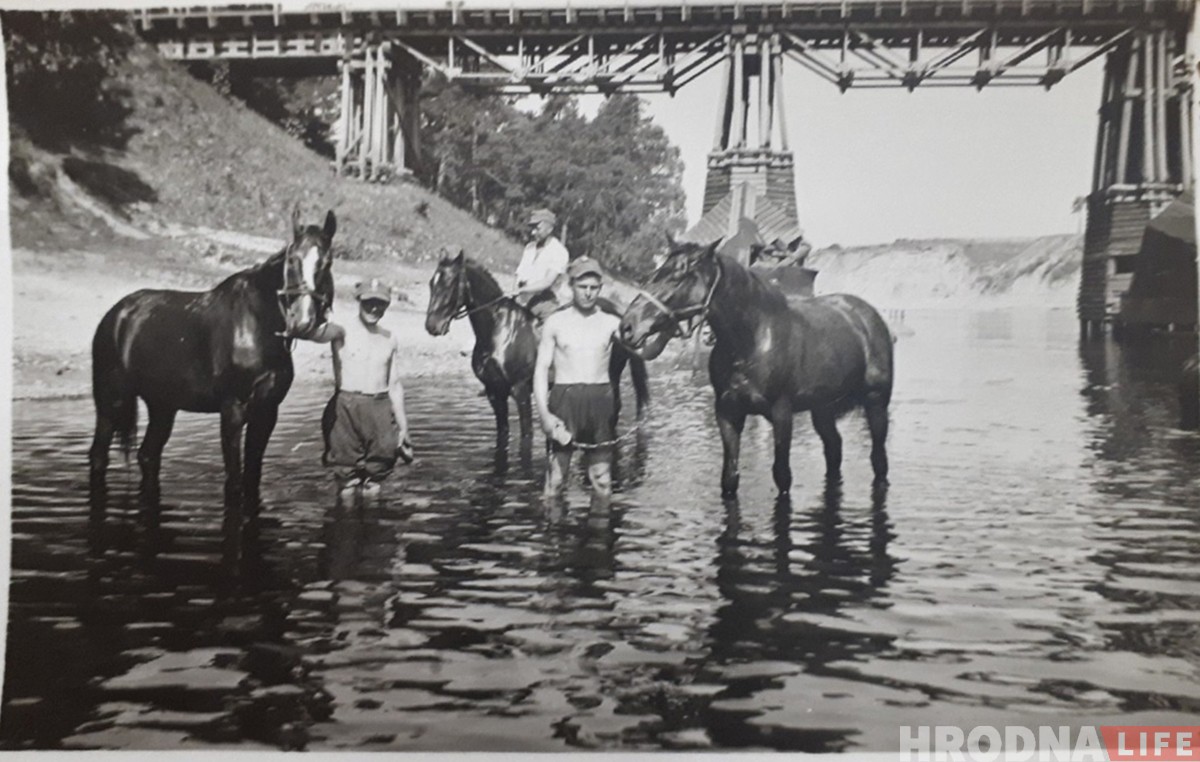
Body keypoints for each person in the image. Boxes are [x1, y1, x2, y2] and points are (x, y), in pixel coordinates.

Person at [309, 278, 412, 501]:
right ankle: (345, 529)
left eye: (380, 304)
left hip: (380, 408)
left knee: (376, 476)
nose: (374, 308)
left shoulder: (389, 338)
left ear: (387, 305)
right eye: (368, 303)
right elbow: (314, 333)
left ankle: (374, 531)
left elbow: (394, 384)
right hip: (347, 407)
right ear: (358, 301)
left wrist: (404, 427)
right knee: (347, 480)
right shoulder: (341, 330)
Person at [533, 256, 621, 502]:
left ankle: (599, 538)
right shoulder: (555, 322)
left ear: (600, 289)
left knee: (602, 480)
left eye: (594, 288)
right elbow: (541, 370)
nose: (588, 293)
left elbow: (644, 352)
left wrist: (665, 333)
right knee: (556, 479)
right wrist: (544, 415)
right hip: (565, 399)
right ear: (571, 286)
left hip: (601, 401)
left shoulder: (611, 323)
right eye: (583, 287)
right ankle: (551, 536)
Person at [514, 208, 571, 321]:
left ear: (549, 229)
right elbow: (518, 275)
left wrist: (521, 290)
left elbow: (547, 282)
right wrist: (514, 293)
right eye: (532, 228)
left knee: (547, 334)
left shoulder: (559, 251)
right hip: (522, 302)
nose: (533, 232)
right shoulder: (529, 248)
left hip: (545, 304)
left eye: (537, 228)